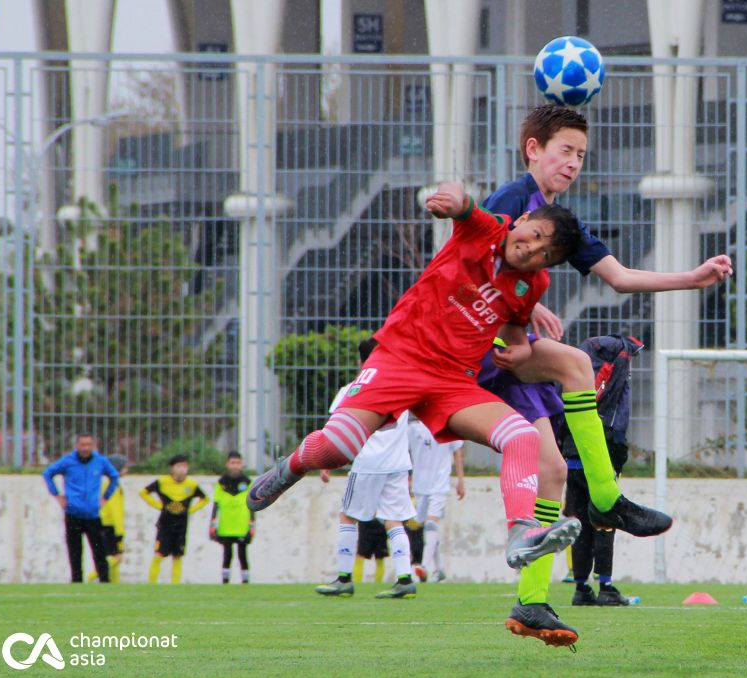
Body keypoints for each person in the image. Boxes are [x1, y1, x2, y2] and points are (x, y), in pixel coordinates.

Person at [249, 181, 584, 645]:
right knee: (335, 449)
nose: (533, 250)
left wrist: (520, 351)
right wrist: (451, 199)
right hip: (399, 360)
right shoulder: (485, 231)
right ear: (523, 222)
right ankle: (292, 465)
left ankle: (521, 533)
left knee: (523, 437)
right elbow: (465, 206)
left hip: (451, 382)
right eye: (536, 235)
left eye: (546, 253)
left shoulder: (533, 284)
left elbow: (515, 328)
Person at [480, 105, 725, 641]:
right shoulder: (511, 200)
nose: (573, 163)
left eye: (581, 155)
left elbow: (617, 275)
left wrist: (692, 277)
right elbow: (476, 266)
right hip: (480, 343)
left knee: (551, 469)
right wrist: (520, 309)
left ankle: (531, 603)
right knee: (573, 363)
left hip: (507, 339)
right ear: (533, 149)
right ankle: (608, 499)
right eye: (565, 151)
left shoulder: (561, 221)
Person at [315, 338, 418, 600]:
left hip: (368, 464)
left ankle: (344, 578)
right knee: (394, 520)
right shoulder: (402, 388)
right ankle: (405, 578)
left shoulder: (352, 390)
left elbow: (336, 430)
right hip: (398, 464)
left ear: (361, 361)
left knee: (348, 516)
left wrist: (325, 462)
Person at [562, 334, 644, 607]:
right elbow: (620, 417)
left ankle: (581, 587)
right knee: (605, 520)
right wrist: (619, 454)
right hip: (601, 456)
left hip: (572, 456)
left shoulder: (576, 367)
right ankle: (606, 586)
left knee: (580, 521)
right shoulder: (621, 364)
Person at [43, 433, 120, 583]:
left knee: (99, 551)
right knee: (75, 552)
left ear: (93, 446)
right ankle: (77, 581)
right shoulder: (68, 462)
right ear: (77, 446)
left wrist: (105, 497)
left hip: (92, 514)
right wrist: (57, 495)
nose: (85, 448)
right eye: (82, 444)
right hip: (73, 513)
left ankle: (105, 581)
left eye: (88, 445)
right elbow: (48, 473)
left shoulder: (100, 461)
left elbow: (114, 476)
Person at [407, 417, 465, 582]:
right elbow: (403, 452)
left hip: (440, 484)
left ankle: (424, 567)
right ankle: (439, 570)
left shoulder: (447, 426)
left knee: (432, 524)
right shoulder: (412, 429)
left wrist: (461, 479)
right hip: (420, 485)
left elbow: (458, 451)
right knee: (427, 526)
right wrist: (407, 477)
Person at [140, 454, 209, 584]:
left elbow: (205, 499)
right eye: (179, 466)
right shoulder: (162, 482)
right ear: (172, 468)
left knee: (177, 556)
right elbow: (143, 492)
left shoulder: (191, 484)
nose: (182, 469)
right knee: (159, 554)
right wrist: (158, 505)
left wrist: (191, 509)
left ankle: (175, 585)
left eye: (185, 466)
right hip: (165, 524)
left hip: (182, 525)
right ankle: (151, 585)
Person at [210, 451, 254, 584]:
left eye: (238, 463)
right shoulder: (221, 483)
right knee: (227, 554)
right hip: (226, 524)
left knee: (242, 554)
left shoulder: (248, 482)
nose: (235, 466)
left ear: (242, 465)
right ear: (227, 464)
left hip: (242, 523)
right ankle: (225, 581)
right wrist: (212, 522)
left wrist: (252, 524)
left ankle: (245, 581)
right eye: (232, 463)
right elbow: (216, 503)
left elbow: (252, 504)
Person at [88, 454, 129, 583]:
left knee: (114, 558)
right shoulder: (112, 486)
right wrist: (119, 531)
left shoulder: (109, 484)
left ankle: (114, 585)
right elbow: (114, 510)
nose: (127, 469)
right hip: (110, 526)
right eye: (125, 467)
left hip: (105, 525)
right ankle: (90, 576)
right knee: (116, 557)